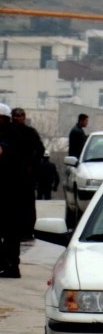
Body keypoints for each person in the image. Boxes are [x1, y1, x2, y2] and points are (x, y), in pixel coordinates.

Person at [0, 103, 26, 278]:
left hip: (9, 191)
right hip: (13, 191)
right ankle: (8, 264)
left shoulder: (11, 136)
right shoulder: (16, 134)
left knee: (10, 233)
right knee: (11, 233)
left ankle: (10, 265)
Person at [11, 108, 45, 239]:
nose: (17, 118)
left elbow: (40, 150)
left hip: (26, 176)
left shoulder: (30, 133)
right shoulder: (7, 132)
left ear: (24, 117)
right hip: (9, 175)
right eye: (15, 116)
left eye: (19, 116)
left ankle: (27, 230)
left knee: (27, 204)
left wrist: (32, 166)